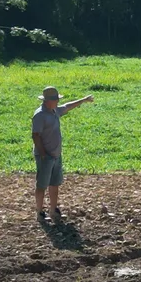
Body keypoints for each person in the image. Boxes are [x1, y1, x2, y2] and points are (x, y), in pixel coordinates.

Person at [31, 86, 93, 221]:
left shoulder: (54, 111)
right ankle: (39, 212)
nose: (58, 102)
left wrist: (83, 100)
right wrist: (42, 154)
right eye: (55, 100)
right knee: (42, 184)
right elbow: (35, 135)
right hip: (45, 156)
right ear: (48, 101)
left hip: (56, 155)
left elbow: (67, 106)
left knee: (55, 183)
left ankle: (53, 210)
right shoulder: (40, 115)